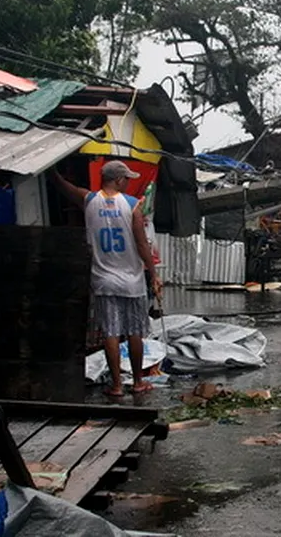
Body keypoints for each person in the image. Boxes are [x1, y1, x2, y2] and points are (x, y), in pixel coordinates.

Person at [51, 160, 162, 397]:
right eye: (127, 179)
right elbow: (142, 245)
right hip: (132, 281)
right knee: (134, 332)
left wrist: (52, 171)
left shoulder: (89, 200)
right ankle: (138, 382)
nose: (129, 183)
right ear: (119, 180)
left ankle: (117, 385)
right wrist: (153, 274)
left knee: (111, 332)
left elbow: (63, 186)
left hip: (103, 280)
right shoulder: (132, 206)